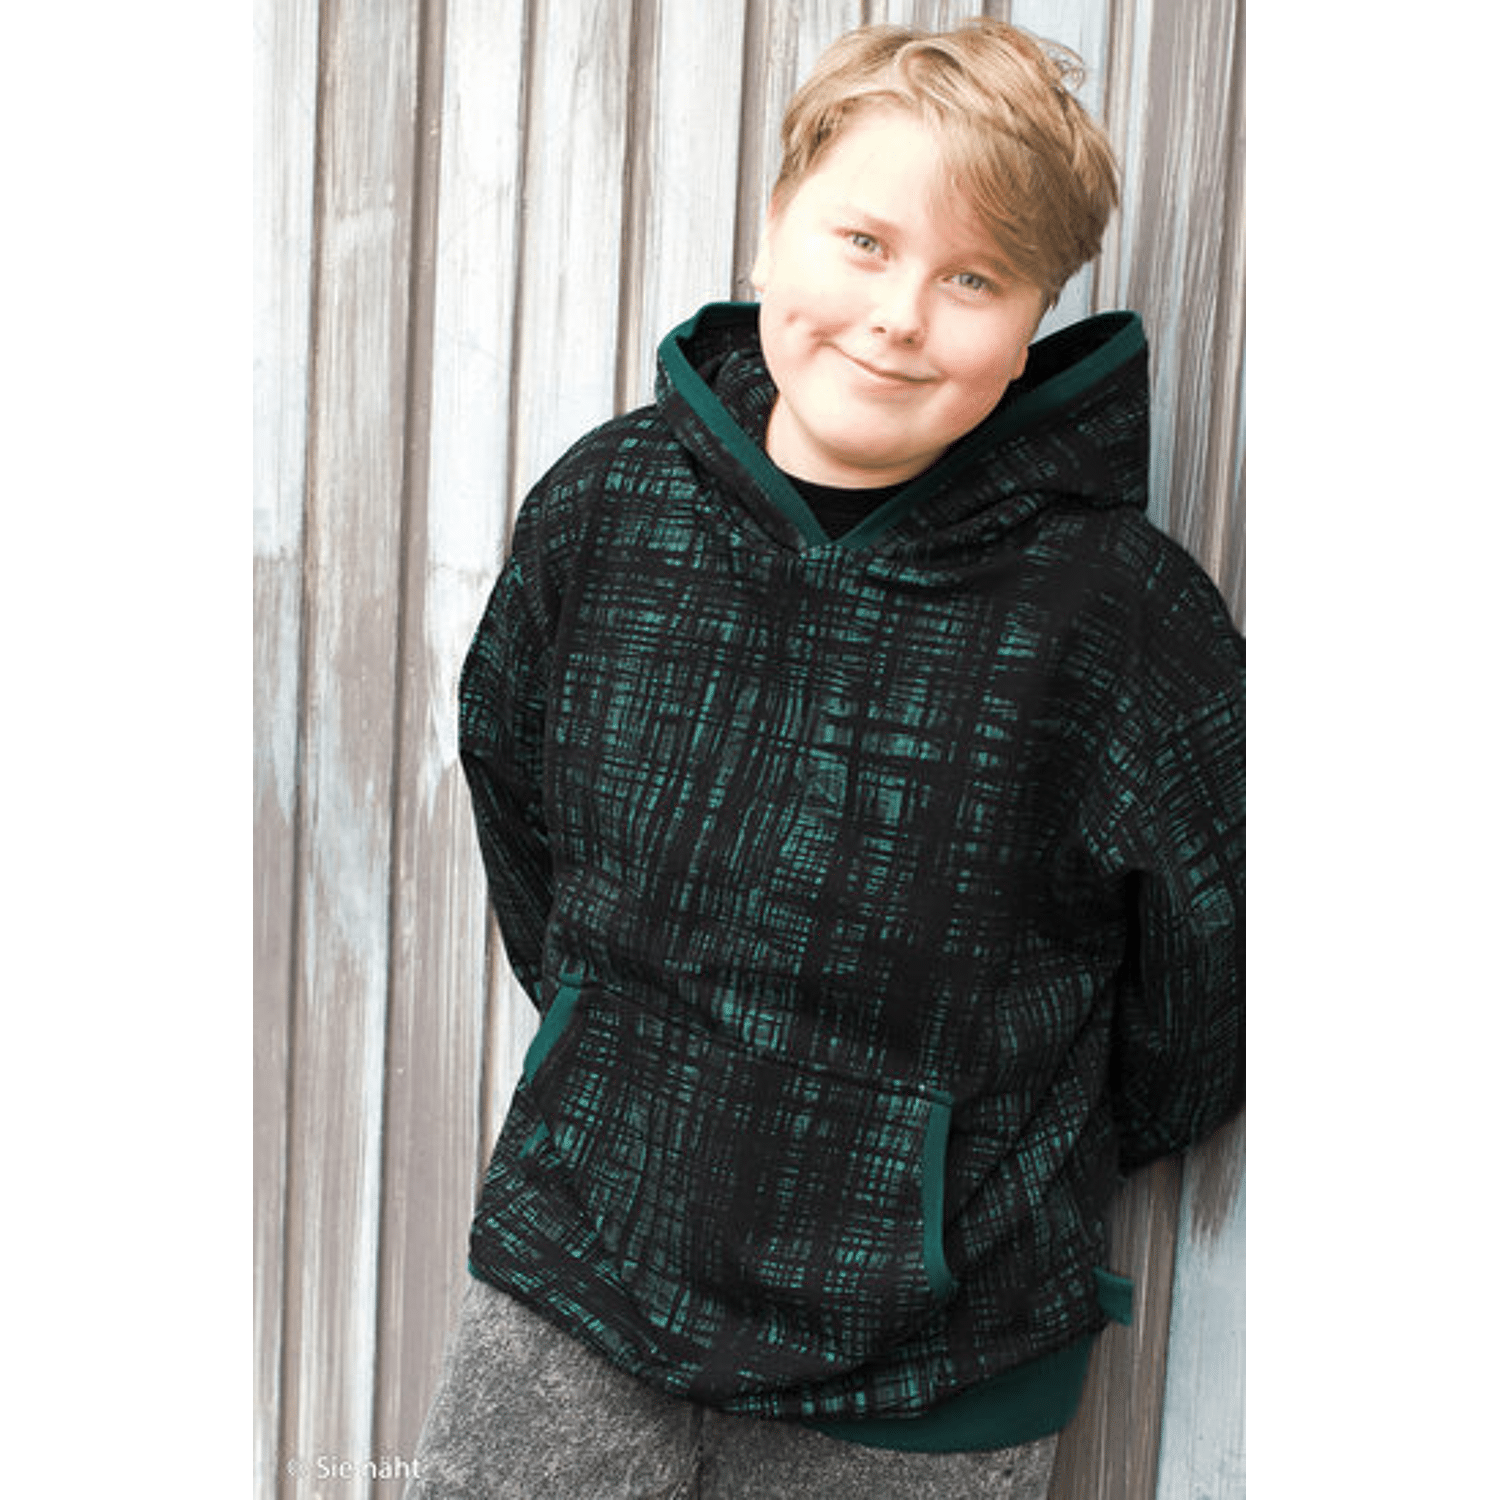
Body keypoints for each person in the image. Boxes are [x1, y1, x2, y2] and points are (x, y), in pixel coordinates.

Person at [409, 17, 1244, 1499]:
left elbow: (1212, 996)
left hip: (930, 1368)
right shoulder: (608, 510)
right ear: (776, 221)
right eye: (865, 240)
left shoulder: (1123, 621)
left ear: (1033, 318)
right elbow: (517, 812)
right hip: (578, 1277)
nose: (900, 315)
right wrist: (622, 1053)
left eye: (973, 279)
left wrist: (940, 1164)